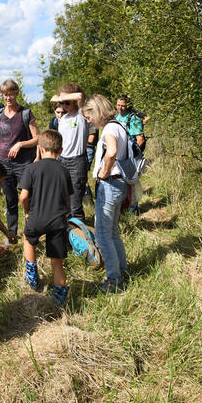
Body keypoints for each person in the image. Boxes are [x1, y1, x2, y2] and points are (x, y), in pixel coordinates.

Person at [19, 130, 73, 305]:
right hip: (57, 220)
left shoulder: (31, 168)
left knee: (28, 240)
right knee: (57, 262)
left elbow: (23, 197)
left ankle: (32, 276)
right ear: (61, 150)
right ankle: (59, 297)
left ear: (40, 149)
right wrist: (64, 213)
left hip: (36, 218)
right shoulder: (64, 171)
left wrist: (28, 212)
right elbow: (69, 198)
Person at [84, 94, 129, 293]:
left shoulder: (110, 129)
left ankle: (114, 280)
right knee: (112, 233)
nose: (88, 121)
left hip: (110, 184)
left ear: (97, 111)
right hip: (119, 184)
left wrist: (104, 171)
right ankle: (122, 270)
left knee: (102, 235)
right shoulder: (119, 125)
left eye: (89, 116)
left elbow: (111, 152)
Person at [0, 78, 39, 237]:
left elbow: (37, 139)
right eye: (5, 95)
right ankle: (12, 235)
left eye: (11, 94)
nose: (8, 98)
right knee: (10, 200)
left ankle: (31, 233)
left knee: (27, 198)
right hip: (4, 164)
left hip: (23, 163)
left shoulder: (25, 113)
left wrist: (21, 144)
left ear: (17, 93)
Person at [55, 83, 94, 221]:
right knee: (63, 202)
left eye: (67, 102)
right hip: (62, 160)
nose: (64, 105)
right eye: (62, 103)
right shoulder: (63, 119)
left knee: (75, 204)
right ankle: (67, 230)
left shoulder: (81, 115)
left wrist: (63, 97)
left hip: (77, 162)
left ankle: (80, 231)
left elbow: (81, 96)